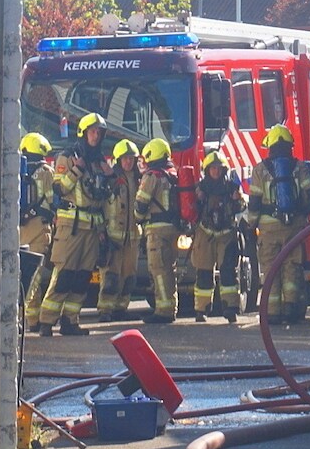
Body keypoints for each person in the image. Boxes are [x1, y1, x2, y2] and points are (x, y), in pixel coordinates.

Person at [39, 113, 113, 337]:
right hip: (70, 228)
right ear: (83, 132)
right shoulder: (68, 157)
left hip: (92, 228)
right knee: (64, 275)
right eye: (92, 131)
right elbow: (59, 189)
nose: (96, 136)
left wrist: (111, 177)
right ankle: (46, 322)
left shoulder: (99, 161)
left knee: (82, 278)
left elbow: (101, 199)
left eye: (99, 133)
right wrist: (76, 169)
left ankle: (70, 321)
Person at [246, 124, 310, 325]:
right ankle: (290, 308)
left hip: (268, 229)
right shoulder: (300, 167)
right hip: (293, 227)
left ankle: (272, 312)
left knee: (270, 269)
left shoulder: (260, 169)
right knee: (291, 266)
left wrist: (251, 226)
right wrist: (301, 217)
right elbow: (309, 196)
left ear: (271, 146)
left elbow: (254, 202)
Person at [190, 151, 246, 323]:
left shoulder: (231, 187)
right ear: (207, 170)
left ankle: (230, 308)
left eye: (218, 168)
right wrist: (197, 199)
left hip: (227, 235)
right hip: (205, 233)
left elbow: (241, 207)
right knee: (204, 272)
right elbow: (192, 210)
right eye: (212, 168)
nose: (216, 171)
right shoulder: (200, 188)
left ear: (223, 170)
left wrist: (238, 199)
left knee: (228, 272)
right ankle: (202, 310)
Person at [96, 139, 142, 322]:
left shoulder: (140, 179)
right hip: (112, 237)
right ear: (118, 160)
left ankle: (121, 308)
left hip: (133, 238)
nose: (128, 162)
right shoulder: (110, 179)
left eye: (131, 158)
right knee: (110, 276)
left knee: (129, 276)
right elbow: (98, 206)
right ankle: (105, 310)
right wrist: (101, 230)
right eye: (125, 159)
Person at [136, 138, 181, 324]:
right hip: (173, 228)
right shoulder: (172, 173)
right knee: (169, 268)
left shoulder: (152, 176)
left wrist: (138, 219)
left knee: (159, 270)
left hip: (156, 230)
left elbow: (141, 204)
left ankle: (164, 310)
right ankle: (170, 305)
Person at [20, 132, 56, 333]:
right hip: (40, 228)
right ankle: (31, 321)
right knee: (34, 276)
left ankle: (27, 320)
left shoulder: (18, 170)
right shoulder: (46, 172)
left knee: (22, 275)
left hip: (20, 229)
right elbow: (52, 202)